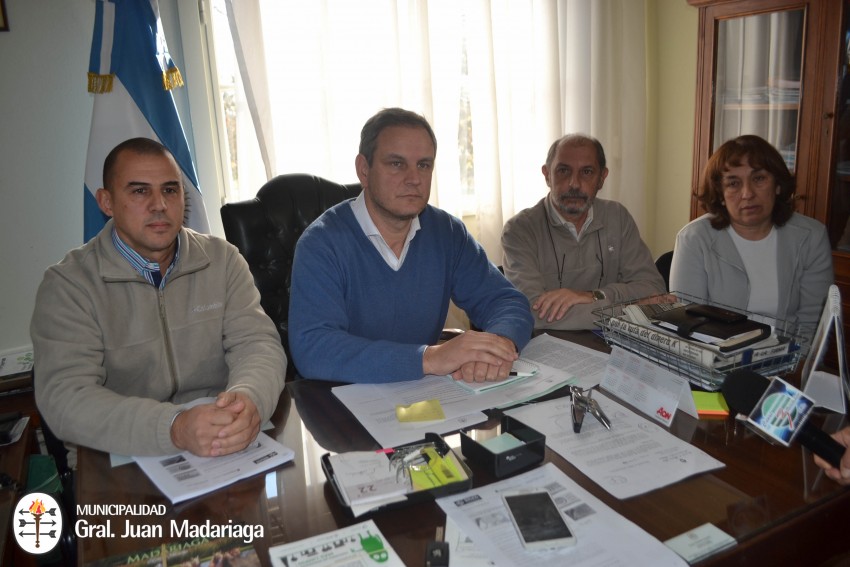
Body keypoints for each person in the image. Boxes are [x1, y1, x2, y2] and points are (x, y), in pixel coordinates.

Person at [31, 138, 286, 467]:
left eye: (170, 190)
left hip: (222, 441)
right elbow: (66, 398)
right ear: (106, 202)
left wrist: (248, 399)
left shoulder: (222, 260)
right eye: (139, 191)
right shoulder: (69, 285)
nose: (159, 205)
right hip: (117, 459)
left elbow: (258, 345)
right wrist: (174, 427)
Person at [288, 107, 533, 384]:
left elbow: (506, 301)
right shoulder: (322, 243)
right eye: (396, 164)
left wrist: (497, 346)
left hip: (422, 396)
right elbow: (314, 348)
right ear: (364, 170)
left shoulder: (447, 232)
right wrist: (428, 358)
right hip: (343, 400)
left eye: (424, 165)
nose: (414, 178)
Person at [669, 135, 833, 334]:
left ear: (778, 185)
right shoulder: (694, 239)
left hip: (787, 358)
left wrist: (794, 363)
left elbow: (813, 324)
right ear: (720, 194)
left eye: (759, 179)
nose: (747, 193)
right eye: (733, 183)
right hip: (717, 357)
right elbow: (690, 322)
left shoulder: (811, 236)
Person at [501, 134, 666, 330]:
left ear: (602, 178)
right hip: (548, 350)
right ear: (547, 175)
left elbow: (653, 288)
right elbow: (533, 313)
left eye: (587, 172)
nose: (574, 184)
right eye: (563, 171)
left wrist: (594, 295)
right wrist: (633, 310)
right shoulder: (520, 230)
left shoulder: (618, 217)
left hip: (612, 344)